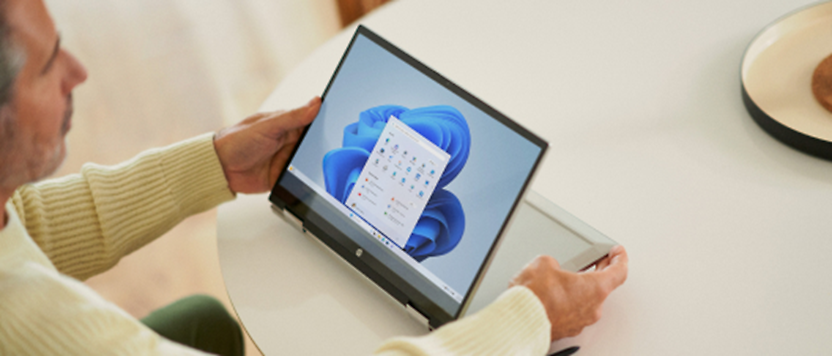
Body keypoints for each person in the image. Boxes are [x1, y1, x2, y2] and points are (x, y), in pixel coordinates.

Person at [0, 0, 629, 354]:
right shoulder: (29, 320)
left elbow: (20, 226)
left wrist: (213, 163)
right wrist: (526, 319)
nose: (79, 72)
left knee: (207, 324)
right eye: (47, 66)